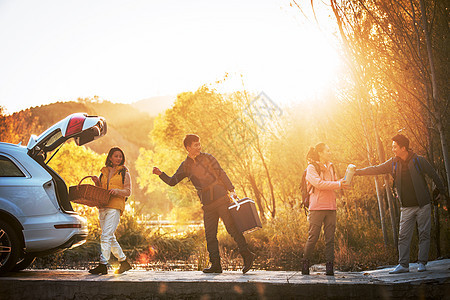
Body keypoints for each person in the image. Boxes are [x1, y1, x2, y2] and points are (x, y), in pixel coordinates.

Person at [152, 134, 255, 274]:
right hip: (207, 204)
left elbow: (221, 173)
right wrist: (160, 174)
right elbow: (172, 181)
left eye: (199, 144)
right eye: (195, 145)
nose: (199, 147)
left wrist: (231, 190)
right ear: (188, 147)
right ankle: (216, 265)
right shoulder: (185, 165)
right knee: (210, 235)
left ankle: (247, 255)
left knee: (232, 229)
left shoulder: (208, 157)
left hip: (221, 198)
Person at [354, 134, 447, 274]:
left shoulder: (419, 161)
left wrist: (441, 191)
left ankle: (422, 263)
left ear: (403, 148)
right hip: (406, 207)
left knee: (424, 234)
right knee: (403, 235)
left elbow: (434, 174)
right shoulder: (393, 163)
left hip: (423, 204)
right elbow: (376, 168)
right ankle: (403, 265)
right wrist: (357, 172)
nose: (393, 149)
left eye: (394, 147)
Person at [302, 143, 349, 276]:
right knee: (313, 238)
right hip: (316, 208)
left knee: (330, 239)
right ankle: (305, 265)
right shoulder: (311, 168)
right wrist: (338, 184)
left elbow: (334, 182)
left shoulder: (331, 166)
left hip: (331, 207)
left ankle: (330, 268)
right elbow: (319, 184)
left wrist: (344, 183)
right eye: (327, 151)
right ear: (320, 153)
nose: (330, 153)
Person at [89, 147, 132, 275]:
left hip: (115, 206)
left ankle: (103, 265)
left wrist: (118, 191)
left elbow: (128, 191)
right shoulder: (104, 172)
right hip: (103, 206)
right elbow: (101, 190)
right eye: (116, 156)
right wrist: (97, 182)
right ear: (110, 158)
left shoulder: (125, 173)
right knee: (110, 237)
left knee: (105, 236)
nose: (118, 158)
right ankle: (124, 262)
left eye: (120, 156)